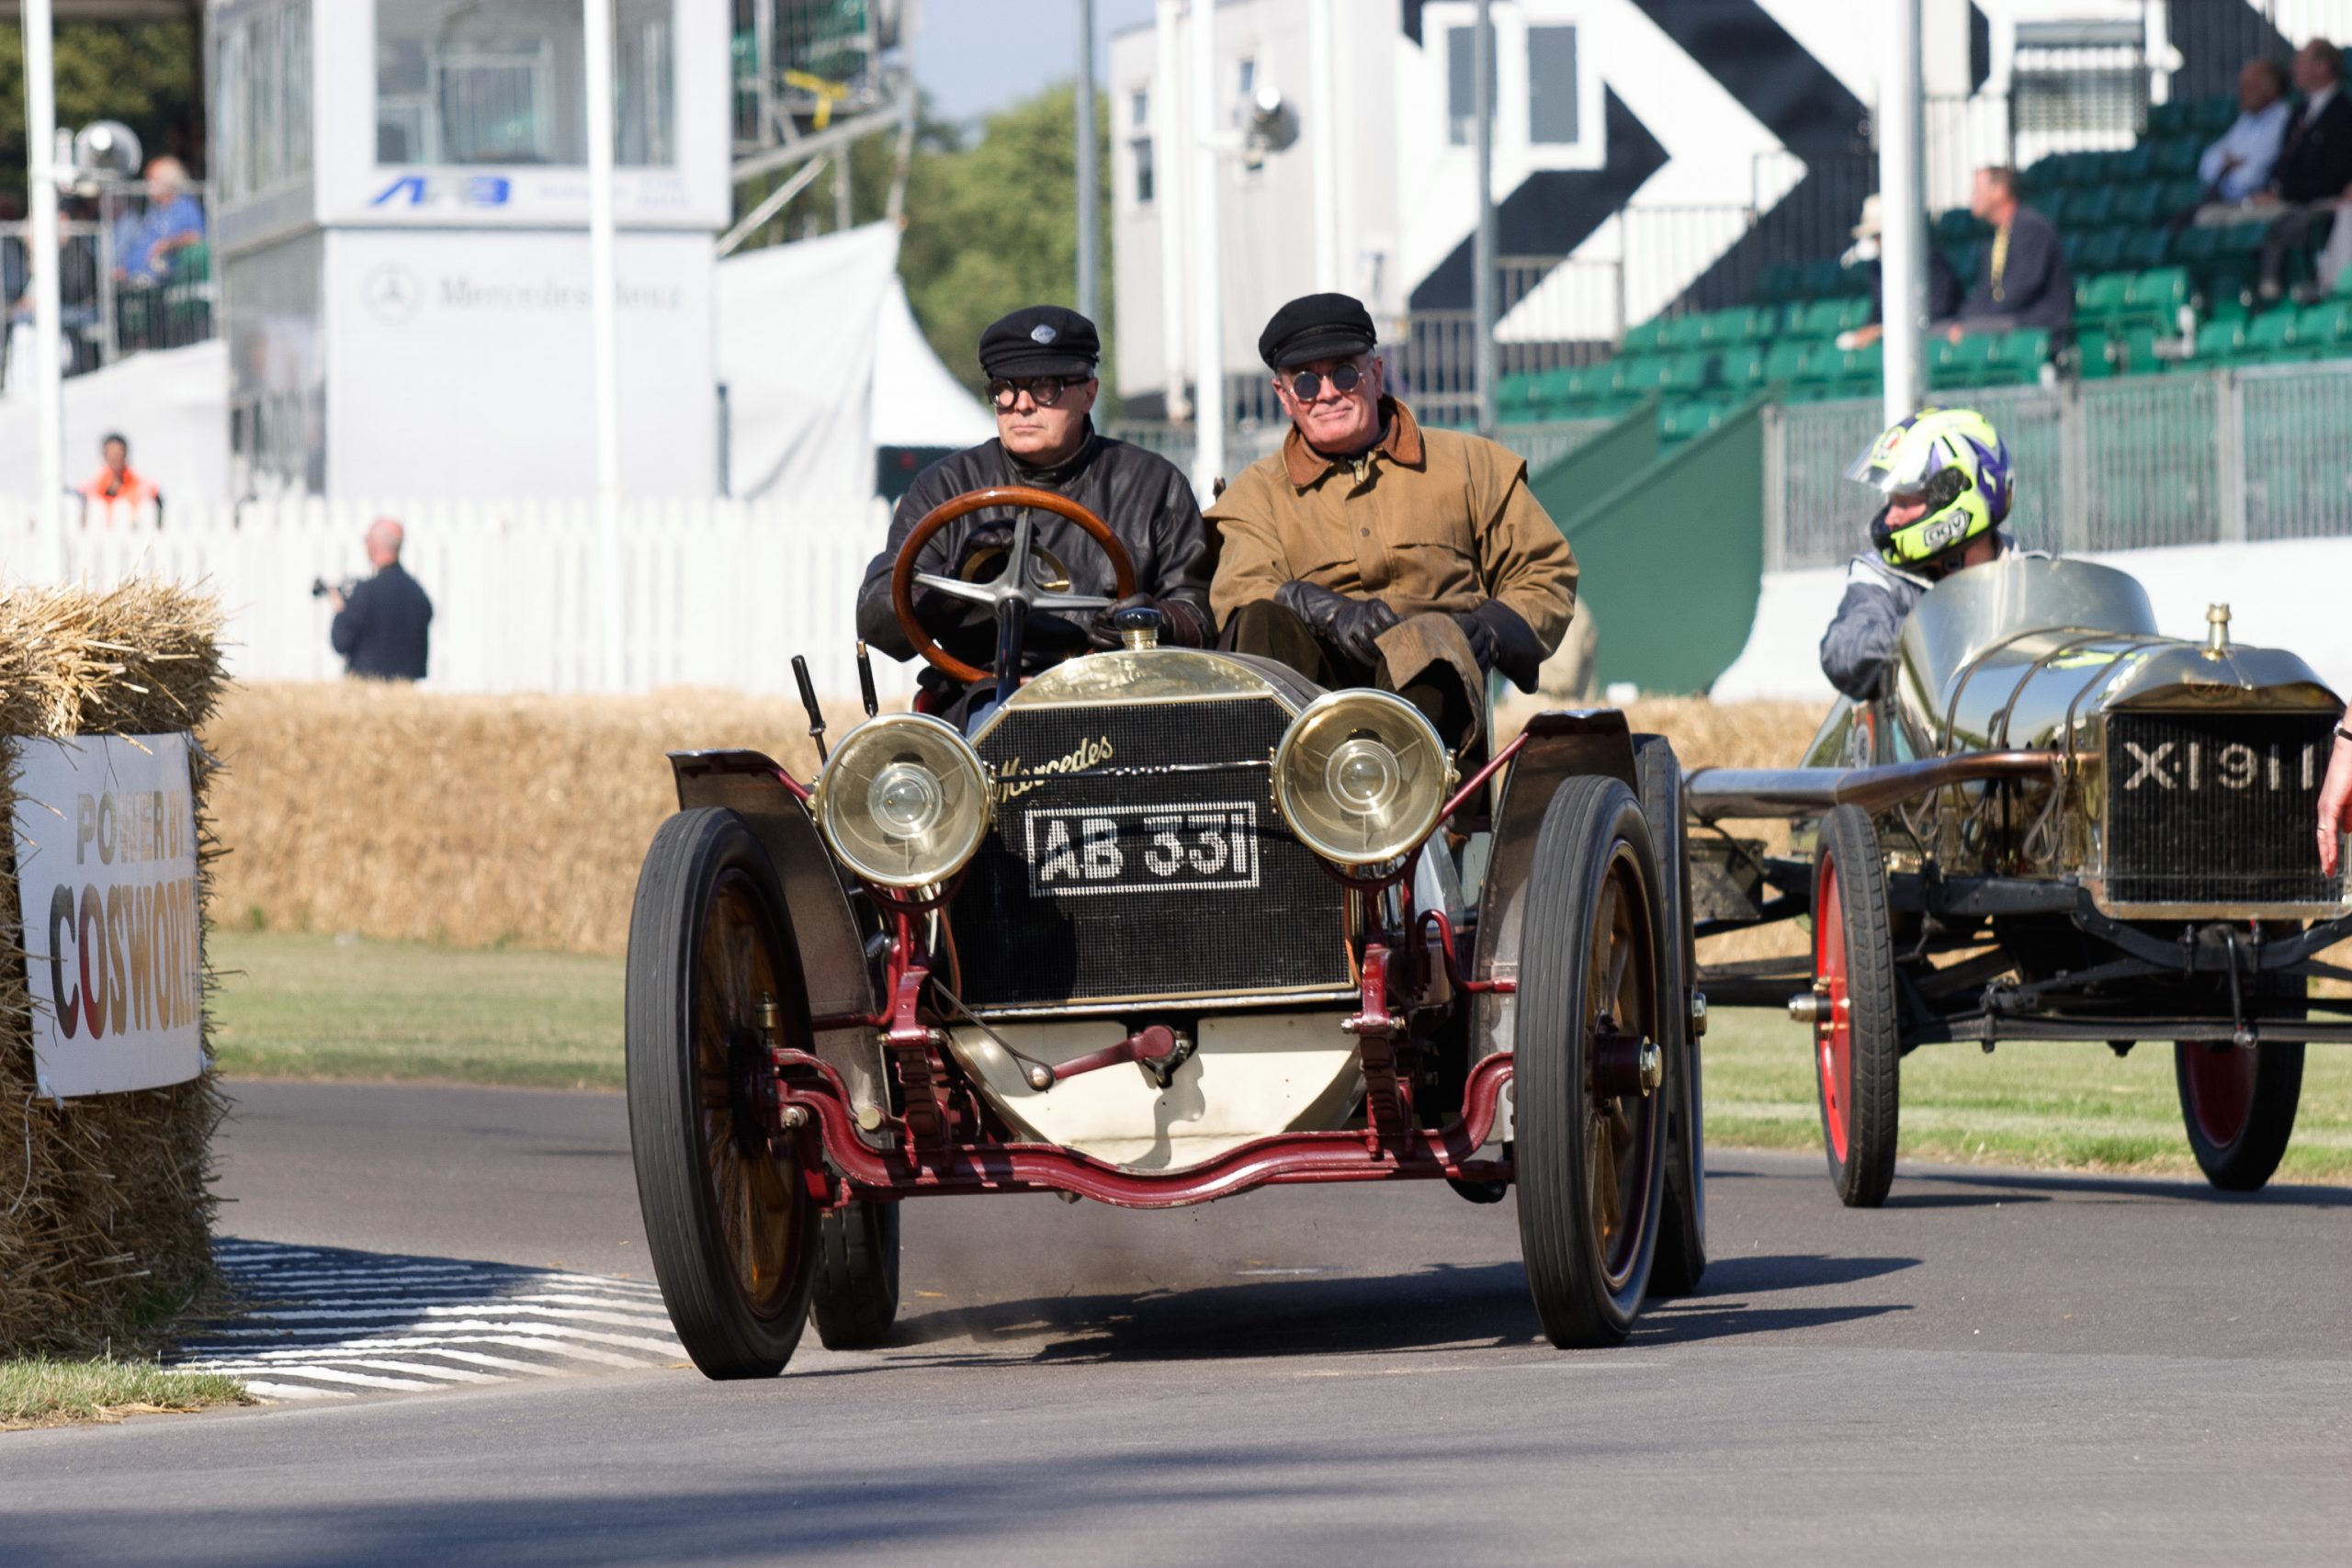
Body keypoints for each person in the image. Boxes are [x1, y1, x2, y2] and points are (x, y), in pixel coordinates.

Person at [1207, 292, 1576, 751]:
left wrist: (1490, 631)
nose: (1326, 394)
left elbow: (1545, 571)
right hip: (1308, 718)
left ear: (1375, 375)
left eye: (1344, 373)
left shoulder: (1471, 465)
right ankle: (1287, 804)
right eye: (1305, 383)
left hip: (1437, 706)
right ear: (1283, 396)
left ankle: (1405, 801)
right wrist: (1329, 612)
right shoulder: (1255, 492)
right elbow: (1239, 591)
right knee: (1262, 617)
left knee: (1429, 640)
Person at [854, 305, 1214, 718]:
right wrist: (952, 584)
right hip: (980, 694)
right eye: (1005, 388)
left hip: (1122, 696)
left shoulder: (1153, 485)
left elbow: (1197, 612)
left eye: (1045, 387)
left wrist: (1149, 622)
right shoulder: (945, 488)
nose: (1021, 404)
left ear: (1089, 394)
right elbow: (880, 621)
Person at [1819, 407, 2026, 702]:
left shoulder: (2030, 573)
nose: (1890, 518)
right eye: (1892, 502)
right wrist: (1934, 625)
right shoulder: (1883, 578)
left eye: (1904, 503)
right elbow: (1843, 654)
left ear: (1953, 497)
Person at [2256, 40, 2352, 297]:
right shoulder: (2298, 112)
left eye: (2301, 62)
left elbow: (2334, 177)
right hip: (2287, 198)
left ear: (2322, 67)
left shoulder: (2343, 114)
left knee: (2287, 222)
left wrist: (2285, 194)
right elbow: (2283, 163)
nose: (2293, 68)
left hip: (2315, 201)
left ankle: (2274, 290)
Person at [1944, 167, 2071, 338]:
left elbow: (2022, 288)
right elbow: (1986, 291)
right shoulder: (1994, 236)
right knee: (1942, 331)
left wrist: (1975, 322)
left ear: (2000, 192)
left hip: (2036, 322)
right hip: (2006, 317)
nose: (1972, 197)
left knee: (1972, 330)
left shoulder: (2031, 228)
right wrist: (1962, 320)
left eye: (1977, 191)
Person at [1836, 194, 1963, 351]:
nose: (1879, 242)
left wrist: (1881, 331)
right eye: (1875, 236)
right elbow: (1878, 312)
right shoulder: (1877, 270)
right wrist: (1870, 331)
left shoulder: (1929, 262)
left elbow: (1936, 310)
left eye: (1882, 235)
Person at [2177, 59, 2290, 227]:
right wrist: (2228, 165)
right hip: (2228, 202)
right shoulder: (2246, 119)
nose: (2241, 92)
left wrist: (2227, 169)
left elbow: (2250, 178)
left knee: (2207, 218)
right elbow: (2207, 163)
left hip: (2256, 202)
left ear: (2271, 89)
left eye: (2249, 86)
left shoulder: (2283, 119)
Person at [329, 518, 434, 681]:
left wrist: (340, 610)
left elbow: (341, 642)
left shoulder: (365, 592)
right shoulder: (417, 594)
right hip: (406, 692)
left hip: (367, 691)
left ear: (374, 545)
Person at [111, 158, 206, 286]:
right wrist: (125, 270)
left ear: (168, 182)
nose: (147, 184)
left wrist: (169, 244)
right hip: (132, 280)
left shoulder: (185, 208)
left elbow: (197, 236)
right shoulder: (154, 210)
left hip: (161, 284)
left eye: (152, 179)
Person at [77, 432, 159, 511]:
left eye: (118, 453)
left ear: (125, 454)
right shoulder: (94, 484)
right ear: (104, 455)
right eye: (111, 453)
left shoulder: (139, 483)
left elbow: (153, 492)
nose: (115, 458)